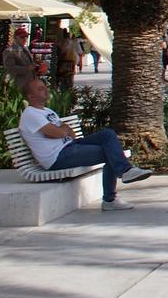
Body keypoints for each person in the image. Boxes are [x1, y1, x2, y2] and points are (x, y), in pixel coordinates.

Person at [19, 76, 153, 209]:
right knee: (109, 152)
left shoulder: (47, 112)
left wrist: (60, 130)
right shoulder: (30, 114)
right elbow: (60, 133)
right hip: (57, 157)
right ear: (31, 96)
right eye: (40, 89)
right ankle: (111, 197)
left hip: (70, 145)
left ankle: (125, 173)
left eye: (45, 87)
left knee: (107, 134)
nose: (46, 91)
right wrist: (61, 130)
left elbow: (70, 133)